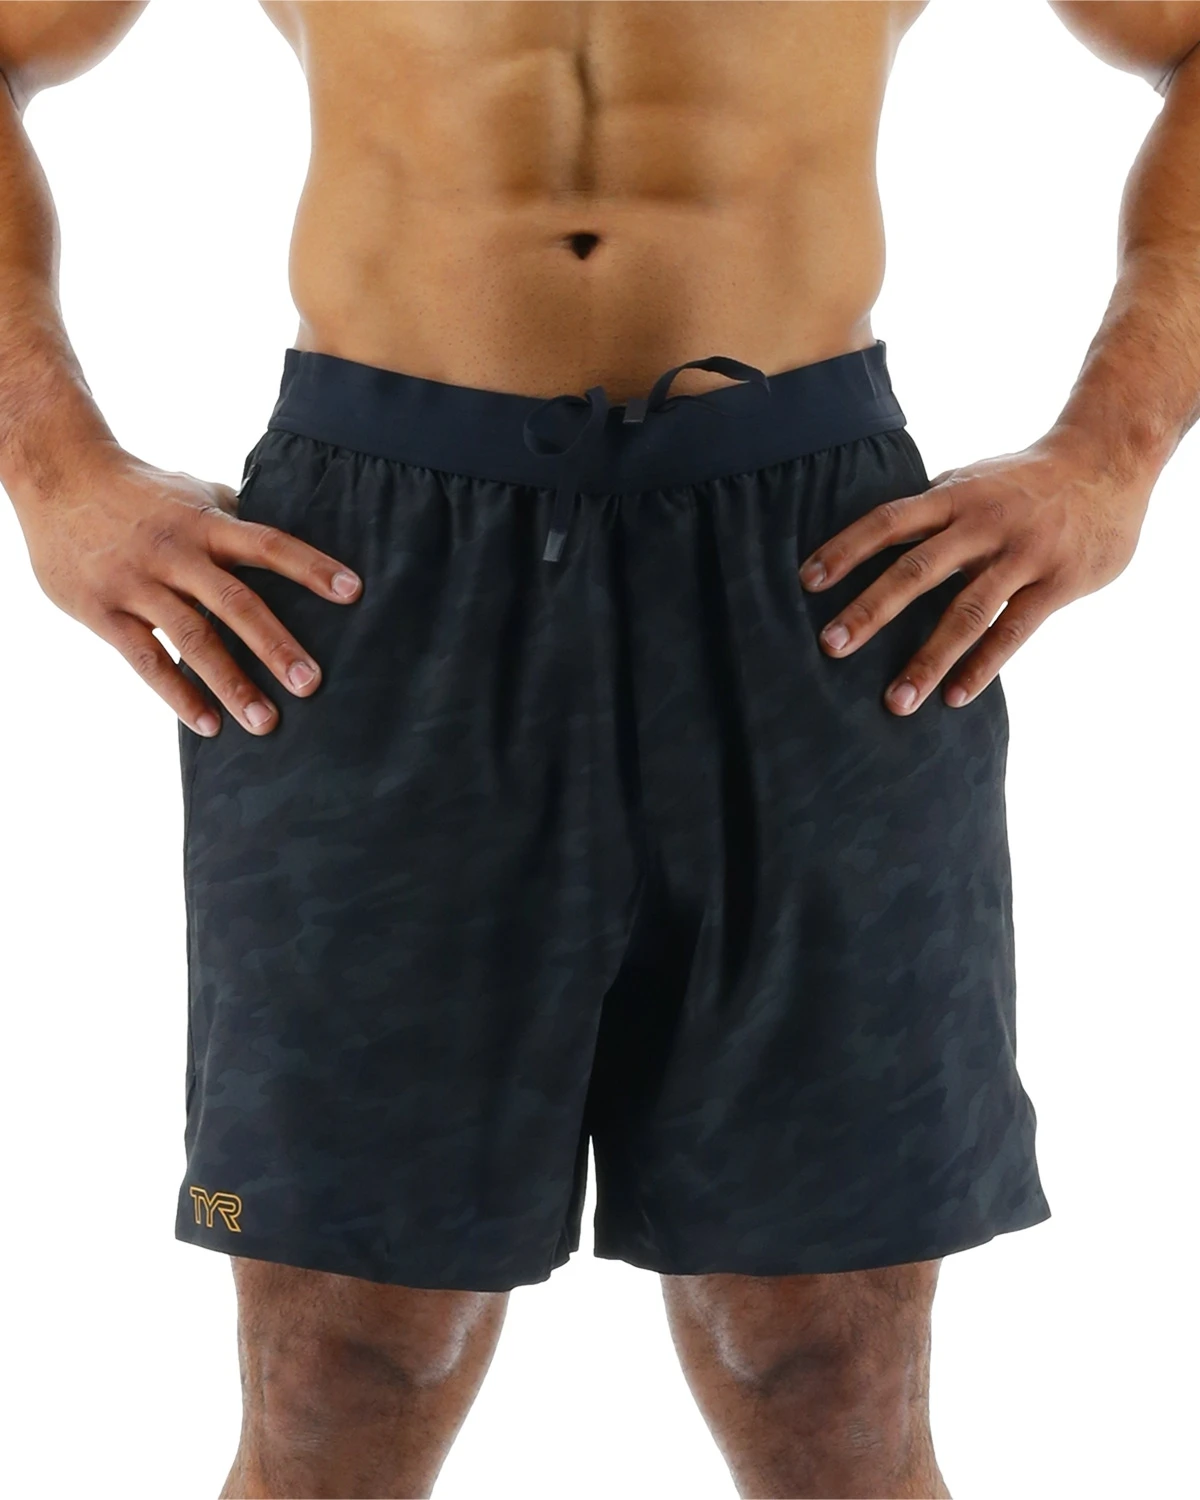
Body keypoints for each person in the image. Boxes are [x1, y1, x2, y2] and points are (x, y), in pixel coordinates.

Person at [2, 3, 1197, 1497]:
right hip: (382, 562)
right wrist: (52, 464)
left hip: (812, 562)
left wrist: (1111, 451)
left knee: (825, 1365)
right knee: (344, 1360)